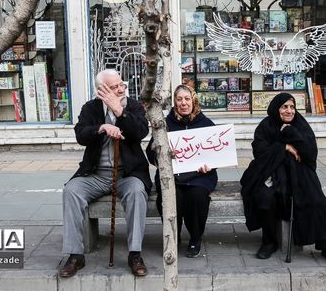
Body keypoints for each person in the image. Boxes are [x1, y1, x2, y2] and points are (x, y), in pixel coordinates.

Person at [60, 69, 152, 278]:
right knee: (71, 191)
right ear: (101, 90)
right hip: (96, 174)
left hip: (127, 174)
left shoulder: (133, 106)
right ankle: (75, 255)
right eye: (114, 87)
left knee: (137, 192)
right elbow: (80, 135)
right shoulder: (90, 108)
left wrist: (120, 112)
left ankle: (135, 253)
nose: (120, 89)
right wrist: (100, 127)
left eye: (121, 85)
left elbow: (141, 132)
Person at [240, 92, 326, 265]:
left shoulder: (300, 124)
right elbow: (259, 152)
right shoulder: (265, 126)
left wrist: (291, 132)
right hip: (271, 172)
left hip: (300, 173)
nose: (289, 111)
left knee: (318, 201)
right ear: (276, 108)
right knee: (266, 198)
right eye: (284, 107)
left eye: (292, 107)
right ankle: (269, 242)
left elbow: (310, 152)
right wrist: (284, 147)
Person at [146, 85, 218, 258]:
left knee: (197, 197)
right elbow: (150, 153)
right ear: (174, 102)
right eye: (179, 99)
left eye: (187, 99)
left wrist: (209, 165)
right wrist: (162, 155)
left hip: (200, 176)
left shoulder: (206, 123)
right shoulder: (165, 124)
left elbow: (216, 154)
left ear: (193, 101)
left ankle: (195, 238)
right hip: (171, 176)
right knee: (170, 197)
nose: (183, 103)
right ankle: (173, 237)